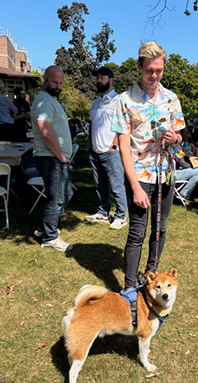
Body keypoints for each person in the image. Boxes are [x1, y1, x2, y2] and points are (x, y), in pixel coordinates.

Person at [111, 41, 185, 300]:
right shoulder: (123, 101)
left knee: (160, 228)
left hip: (165, 174)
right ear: (140, 67)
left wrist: (175, 137)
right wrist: (134, 187)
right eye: (149, 70)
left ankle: (151, 276)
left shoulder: (171, 99)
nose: (154, 76)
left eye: (159, 70)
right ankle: (130, 287)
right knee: (137, 231)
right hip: (140, 176)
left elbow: (180, 139)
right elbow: (123, 147)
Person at [31, 66, 75, 251]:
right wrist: (62, 158)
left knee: (67, 194)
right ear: (45, 80)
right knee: (56, 197)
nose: (58, 86)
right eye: (55, 82)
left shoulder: (51, 100)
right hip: (51, 158)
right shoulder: (43, 101)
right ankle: (50, 237)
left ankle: (43, 229)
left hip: (56, 157)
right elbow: (46, 133)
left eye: (61, 83)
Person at [84, 66, 128, 230]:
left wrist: (114, 145)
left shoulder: (118, 101)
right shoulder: (95, 103)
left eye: (102, 77)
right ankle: (103, 212)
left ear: (111, 80)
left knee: (116, 185)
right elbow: (92, 124)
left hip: (111, 151)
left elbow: (123, 126)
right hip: (95, 151)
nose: (98, 80)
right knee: (99, 184)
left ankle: (121, 216)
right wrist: (90, 144)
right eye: (97, 78)